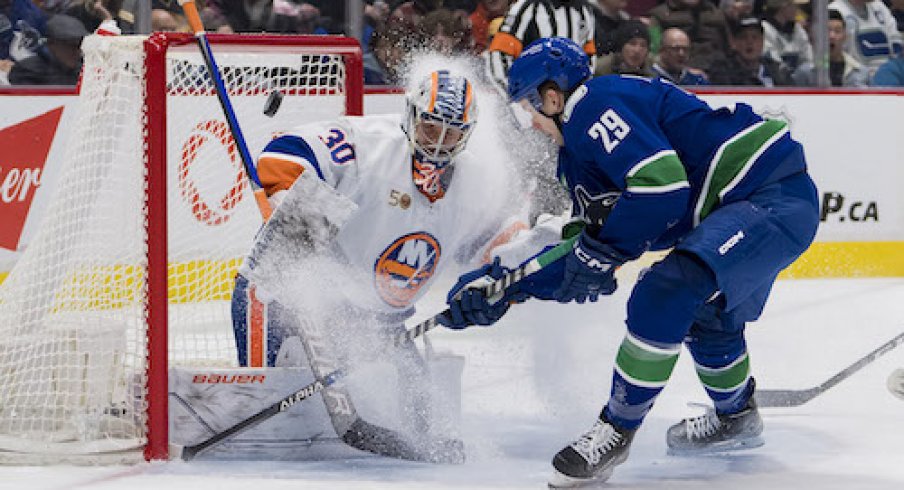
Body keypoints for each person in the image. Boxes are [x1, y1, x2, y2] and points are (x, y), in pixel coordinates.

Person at [441, 37, 819, 486]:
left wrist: (600, 252)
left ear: (552, 95)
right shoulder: (578, 157)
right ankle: (736, 417)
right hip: (751, 204)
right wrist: (508, 285)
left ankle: (615, 430)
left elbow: (661, 189)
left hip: (769, 196)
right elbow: (582, 247)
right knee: (706, 313)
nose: (530, 121)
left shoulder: (594, 105)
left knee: (667, 289)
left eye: (529, 105)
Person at [232, 69, 524, 461]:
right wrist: (289, 196)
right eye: (429, 128)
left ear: (466, 134)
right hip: (276, 297)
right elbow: (283, 152)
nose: (437, 144)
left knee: (423, 426)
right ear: (411, 116)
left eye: (451, 134)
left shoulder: (471, 183)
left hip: (375, 320)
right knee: (269, 432)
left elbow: (499, 242)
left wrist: (516, 269)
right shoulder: (369, 144)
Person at [485, 0, 597, 93]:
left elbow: (588, 59)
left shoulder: (585, 11)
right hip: (528, 97)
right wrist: (517, 100)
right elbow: (499, 55)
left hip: (564, 100)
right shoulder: (527, 7)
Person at [828, 0, 903, 80]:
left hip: (890, 79)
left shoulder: (880, 7)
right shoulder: (835, 11)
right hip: (858, 82)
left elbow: (896, 44)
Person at [708, 15, 793, 86]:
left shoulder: (776, 70)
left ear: (762, 41)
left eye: (755, 37)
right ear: (734, 43)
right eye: (743, 37)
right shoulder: (723, 71)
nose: (749, 42)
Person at [8, 13, 85, 85]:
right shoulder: (28, 71)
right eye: (71, 45)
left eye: (80, 46)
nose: (77, 51)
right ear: (51, 44)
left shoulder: (84, 71)